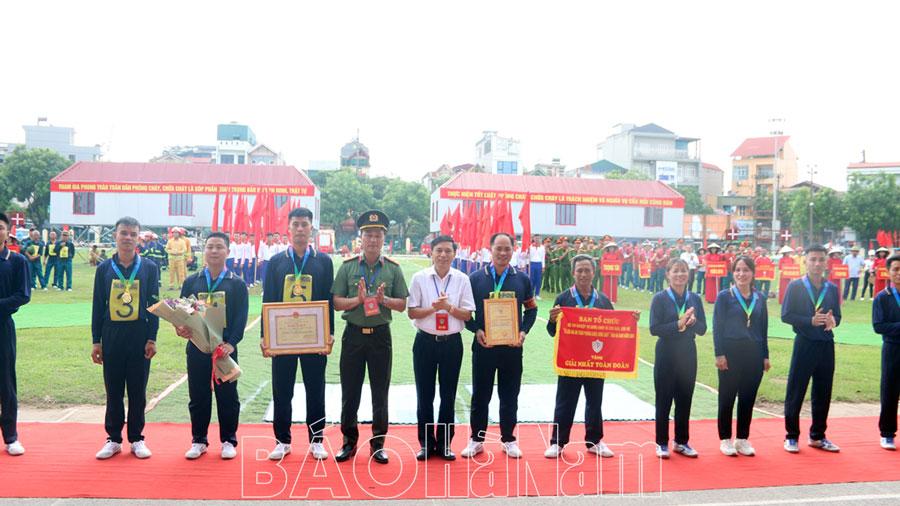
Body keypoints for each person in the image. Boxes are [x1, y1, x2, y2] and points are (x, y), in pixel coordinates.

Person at [332, 210, 408, 465]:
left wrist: (384, 300)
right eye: (368, 235)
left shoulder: (393, 270)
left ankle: (378, 444)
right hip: (353, 336)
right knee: (350, 392)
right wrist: (359, 300)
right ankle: (349, 442)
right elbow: (337, 302)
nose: (373, 240)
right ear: (360, 238)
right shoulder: (348, 267)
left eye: (377, 235)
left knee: (380, 392)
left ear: (384, 239)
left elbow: (402, 305)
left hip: (380, 337)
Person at [264, 208, 335, 461]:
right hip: (283, 338)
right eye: (296, 224)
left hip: (313, 337)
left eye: (305, 224)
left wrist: (330, 334)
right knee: (282, 390)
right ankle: (282, 440)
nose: (301, 229)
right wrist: (266, 337)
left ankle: (316, 440)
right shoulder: (275, 262)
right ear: (289, 228)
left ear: (311, 229)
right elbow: (268, 300)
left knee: (316, 389)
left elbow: (328, 300)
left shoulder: (323, 261)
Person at [461, 232, 538, 459]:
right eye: (499, 249)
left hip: (512, 349)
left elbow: (531, 310)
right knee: (481, 396)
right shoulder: (475, 278)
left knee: (509, 395)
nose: (503, 253)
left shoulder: (522, 279)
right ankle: (477, 439)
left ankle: (508, 439)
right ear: (490, 249)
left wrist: (523, 331)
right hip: (485, 348)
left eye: (507, 249)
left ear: (513, 250)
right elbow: (466, 313)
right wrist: (476, 330)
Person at [174, 232, 248, 460]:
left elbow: (240, 318)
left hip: (223, 350)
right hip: (197, 347)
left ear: (227, 251)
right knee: (198, 395)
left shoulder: (236, 284)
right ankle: (199, 440)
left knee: (227, 396)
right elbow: (181, 314)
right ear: (203, 251)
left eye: (219, 247)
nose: (214, 251)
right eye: (210, 247)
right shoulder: (191, 282)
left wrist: (231, 344)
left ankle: (228, 440)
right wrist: (181, 329)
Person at [91, 217, 160, 459]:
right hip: (112, 335)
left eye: (132, 234)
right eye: (124, 233)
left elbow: (155, 306)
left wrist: (152, 337)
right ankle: (113, 438)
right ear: (115, 236)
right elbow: (97, 307)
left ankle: (137, 438)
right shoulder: (104, 269)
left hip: (139, 335)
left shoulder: (149, 267)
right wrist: (96, 340)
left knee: (138, 390)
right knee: (114, 389)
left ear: (139, 237)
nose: (128, 237)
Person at [407, 235, 475, 461]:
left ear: (454, 253)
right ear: (431, 252)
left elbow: (467, 314)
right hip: (425, 341)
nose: (443, 255)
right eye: (439, 250)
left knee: (448, 395)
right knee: (424, 395)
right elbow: (412, 312)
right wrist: (434, 309)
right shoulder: (419, 278)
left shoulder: (462, 279)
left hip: (451, 343)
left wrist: (449, 308)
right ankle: (426, 443)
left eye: (448, 251)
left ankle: (445, 443)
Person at [544, 254, 616, 459]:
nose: (583, 274)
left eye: (587, 270)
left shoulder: (603, 300)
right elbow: (552, 332)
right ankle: (557, 442)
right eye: (580, 270)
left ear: (594, 273)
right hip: (570, 361)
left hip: (595, 361)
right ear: (573, 273)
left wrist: (629, 320)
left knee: (595, 402)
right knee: (565, 402)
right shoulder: (563, 298)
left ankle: (595, 441)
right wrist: (552, 320)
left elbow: (613, 330)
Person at [782, 244, 841, 454]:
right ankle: (791, 436)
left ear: (826, 262)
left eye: (821, 260)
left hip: (826, 344)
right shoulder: (796, 286)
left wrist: (834, 320)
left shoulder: (831, 288)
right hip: (804, 343)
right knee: (796, 390)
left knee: (823, 392)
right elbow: (786, 315)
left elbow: (838, 317)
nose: (817, 263)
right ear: (805, 261)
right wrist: (810, 320)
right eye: (813, 259)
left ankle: (818, 436)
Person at [649, 258, 707, 458]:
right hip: (666, 352)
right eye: (676, 271)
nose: (680, 275)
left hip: (688, 352)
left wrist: (693, 322)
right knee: (664, 399)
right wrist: (678, 324)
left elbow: (703, 329)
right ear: (668, 274)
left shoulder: (695, 299)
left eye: (684, 271)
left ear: (688, 274)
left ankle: (681, 441)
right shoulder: (660, 298)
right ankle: (661, 442)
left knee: (685, 398)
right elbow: (654, 329)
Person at [714, 256, 770, 457]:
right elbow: (717, 328)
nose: (741, 274)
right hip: (730, 352)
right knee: (727, 397)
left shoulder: (760, 298)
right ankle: (725, 439)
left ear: (753, 273)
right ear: (733, 272)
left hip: (754, 354)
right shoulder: (724, 296)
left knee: (748, 397)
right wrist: (719, 353)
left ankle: (742, 439)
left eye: (746, 270)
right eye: (737, 270)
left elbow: (763, 329)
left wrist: (765, 355)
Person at [0, 213, 31, 456]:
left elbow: (23, 295)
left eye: (0, 228)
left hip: (2, 326)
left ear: (8, 231)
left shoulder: (16, 261)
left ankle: (11, 437)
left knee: (6, 382)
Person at [874, 254, 900, 450]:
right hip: (892, 347)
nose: (899, 273)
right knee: (890, 390)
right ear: (888, 272)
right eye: (896, 269)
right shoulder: (882, 297)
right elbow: (879, 326)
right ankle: (887, 433)